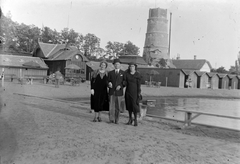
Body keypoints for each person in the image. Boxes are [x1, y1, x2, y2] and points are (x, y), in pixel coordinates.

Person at [123, 62, 142, 126]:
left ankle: (135, 119)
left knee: (134, 106)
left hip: (135, 92)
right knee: (129, 105)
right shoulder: (127, 74)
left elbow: (139, 85)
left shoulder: (137, 75)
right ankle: (130, 119)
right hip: (128, 91)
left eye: (133, 66)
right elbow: (124, 82)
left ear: (135, 67)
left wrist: (139, 93)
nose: (131, 68)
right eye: (130, 66)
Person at [108, 58, 125, 124]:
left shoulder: (123, 73)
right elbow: (107, 81)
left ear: (120, 65)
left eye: (118, 64)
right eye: (115, 64)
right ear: (113, 65)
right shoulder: (110, 73)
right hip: (112, 92)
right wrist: (109, 83)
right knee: (111, 106)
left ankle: (116, 120)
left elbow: (125, 82)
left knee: (118, 107)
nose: (116, 65)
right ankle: (111, 119)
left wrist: (120, 86)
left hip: (119, 92)